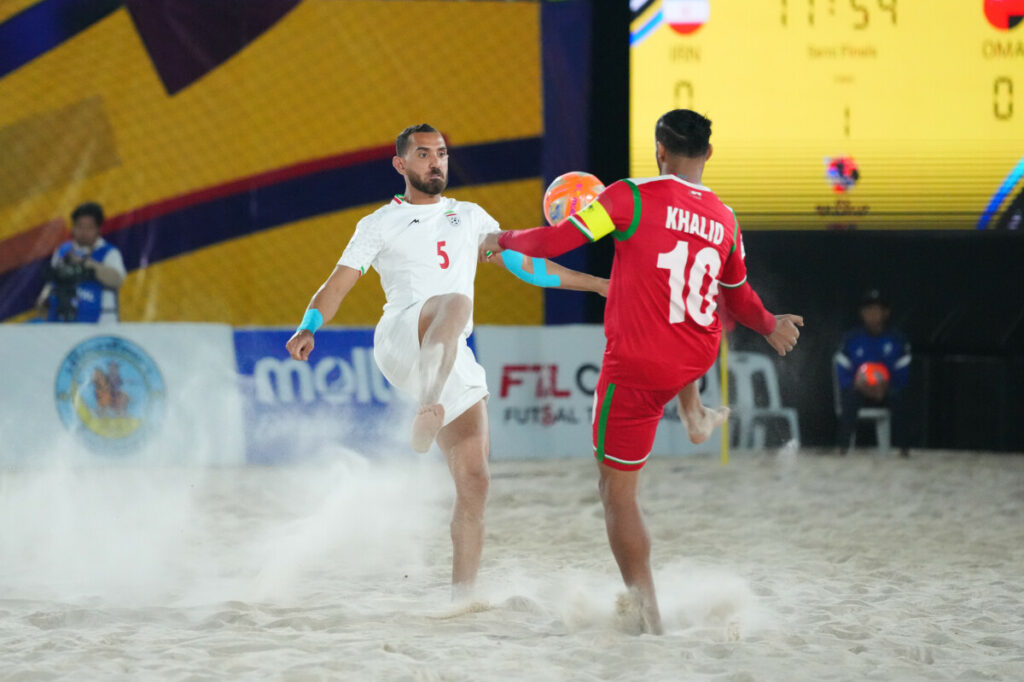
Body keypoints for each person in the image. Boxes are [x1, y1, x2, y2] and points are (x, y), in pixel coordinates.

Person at [482, 109, 804, 634]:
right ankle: (695, 413)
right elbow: (739, 298)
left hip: (637, 367)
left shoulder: (628, 196)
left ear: (660, 150)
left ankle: (648, 613)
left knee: (617, 494)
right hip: (696, 354)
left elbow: (558, 241)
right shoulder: (725, 217)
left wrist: (503, 236)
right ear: (709, 154)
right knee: (682, 314)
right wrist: (771, 326)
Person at [285, 124, 608, 596]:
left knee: (475, 479)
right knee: (457, 301)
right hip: (401, 338)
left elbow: (529, 266)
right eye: (423, 154)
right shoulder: (378, 223)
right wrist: (308, 326)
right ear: (401, 165)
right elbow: (338, 283)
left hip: (449, 350)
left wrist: (598, 284)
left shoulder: (472, 217)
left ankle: (463, 596)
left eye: (441, 153)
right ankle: (427, 407)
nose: (436, 162)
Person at [834, 288, 911, 456]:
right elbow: (842, 371)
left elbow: (903, 373)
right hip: (859, 388)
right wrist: (861, 385)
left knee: (900, 398)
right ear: (862, 313)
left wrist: (883, 388)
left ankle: (903, 449)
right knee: (849, 399)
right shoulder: (850, 339)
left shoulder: (897, 340)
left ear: (886, 313)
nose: (872, 315)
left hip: (887, 389)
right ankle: (843, 447)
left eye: (876, 310)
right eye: (868, 310)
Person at [35, 202, 126, 323]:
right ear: (73, 228)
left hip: (102, 322)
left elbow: (117, 280)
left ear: (98, 229)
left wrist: (86, 264)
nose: (84, 232)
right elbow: (52, 280)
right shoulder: (63, 250)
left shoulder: (109, 252)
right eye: (79, 226)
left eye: (89, 227)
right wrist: (44, 295)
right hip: (64, 321)